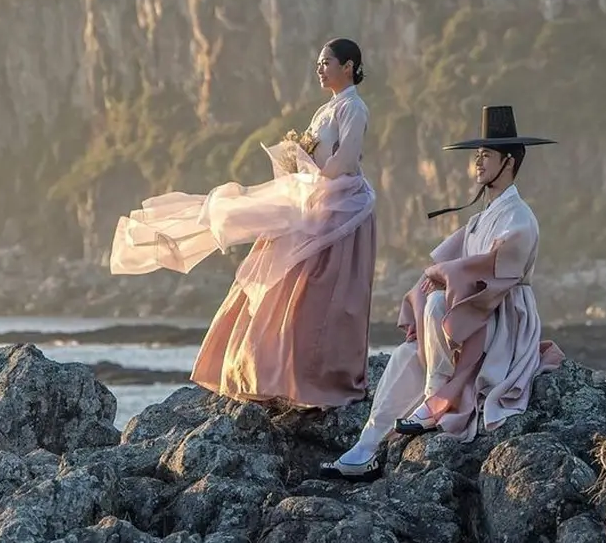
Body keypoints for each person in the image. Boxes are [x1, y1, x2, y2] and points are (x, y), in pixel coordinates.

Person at [110, 38, 377, 408]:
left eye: (326, 62)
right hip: (316, 200)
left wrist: (311, 175)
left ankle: (314, 375)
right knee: (280, 278)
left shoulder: (354, 108)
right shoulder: (325, 110)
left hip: (341, 209)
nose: (319, 69)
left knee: (318, 290)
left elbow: (345, 162)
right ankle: (263, 370)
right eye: (318, 63)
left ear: (348, 66)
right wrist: (298, 169)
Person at [319, 105, 565, 481]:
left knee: (435, 304)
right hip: (466, 313)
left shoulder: (520, 218)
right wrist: (437, 277)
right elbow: (450, 261)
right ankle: (364, 449)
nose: (478, 163)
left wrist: (444, 278)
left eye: (486, 155)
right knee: (406, 355)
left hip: (501, 318)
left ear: (510, 162)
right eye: (477, 155)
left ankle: (438, 399)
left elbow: (494, 272)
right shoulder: (483, 216)